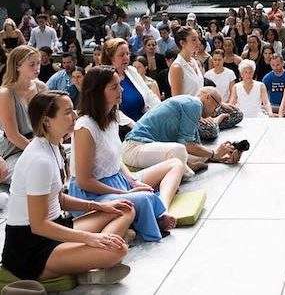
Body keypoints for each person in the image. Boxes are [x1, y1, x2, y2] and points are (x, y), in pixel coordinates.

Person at [1, 90, 133, 286]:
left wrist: (97, 206)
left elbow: (59, 198)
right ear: (47, 121)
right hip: (32, 248)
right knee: (117, 250)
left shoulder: (53, 145)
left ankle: (88, 258)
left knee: (123, 209)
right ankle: (86, 264)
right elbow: (39, 225)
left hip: (57, 227)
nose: (75, 116)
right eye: (68, 112)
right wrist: (90, 238)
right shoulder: (39, 160)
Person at [68, 67, 183, 242]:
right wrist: (121, 192)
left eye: (119, 85)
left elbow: (116, 161)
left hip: (118, 180)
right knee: (144, 198)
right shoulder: (85, 127)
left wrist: (133, 181)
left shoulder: (112, 116)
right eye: (114, 87)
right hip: (92, 193)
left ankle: (159, 210)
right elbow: (84, 181)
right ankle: (152, 217)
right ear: (97, 93)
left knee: (175, 164)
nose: (121, 90)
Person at [122, 88, 240, 177]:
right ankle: (187, 170)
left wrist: (220, 155)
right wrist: (214, 153)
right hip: (135, 148)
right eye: (217, 105)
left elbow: (196, 147)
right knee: (180, 150)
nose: (216, 111)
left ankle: (187, 166)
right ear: (207, 97)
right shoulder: (195, 104)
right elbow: (187, 145)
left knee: (196, 154)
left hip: (146, 148)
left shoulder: (191, 105)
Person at [0, 46, 48, 184]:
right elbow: (12, 135)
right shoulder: (6, 93)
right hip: (14, 148)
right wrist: (40, 152)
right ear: (17, 66)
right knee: (35, 173)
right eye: (32, 64)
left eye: (38, 63)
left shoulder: (41, 87)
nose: (37, 68)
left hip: (41, 142)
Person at [100, 39, 160, 136]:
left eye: (127, 54)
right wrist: (134, 126)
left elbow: (148, 95)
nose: (126, 58)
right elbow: (112, 110)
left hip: (144, 126)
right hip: (122, 131)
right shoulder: (104, 78)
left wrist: (162, 110)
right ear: (111, 57)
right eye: (121, 55)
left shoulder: (132, 71)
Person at [169, 26, 205, 97]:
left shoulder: (194, 61)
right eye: (194, 40)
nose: (198, 42)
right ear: (182, 43)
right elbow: (177, 100)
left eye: (198, 38)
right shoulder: (177, 67)